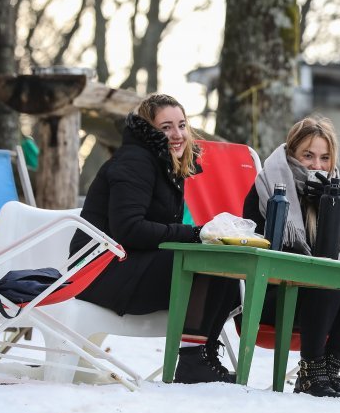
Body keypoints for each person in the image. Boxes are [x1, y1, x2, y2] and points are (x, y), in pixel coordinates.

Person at [71, 93, 241, 384]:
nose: (177, 135)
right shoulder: (135, 162)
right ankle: (192, 360)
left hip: (129, 264)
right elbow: (131, 230)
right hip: (101, 271)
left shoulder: (163, 165)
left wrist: (202, 236)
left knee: (223, 266)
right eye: (166, 127)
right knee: (206, 262)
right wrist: (195, 234)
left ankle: (200, 355)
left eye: (181, 125)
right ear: (149, 129)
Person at [242, 115, 340, 398]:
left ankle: (329, 367)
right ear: (291, 153)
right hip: (274, 291)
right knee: (326, 276)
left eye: (325, 158)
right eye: (308, 155)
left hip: (318, 299)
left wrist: (331, 206)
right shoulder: (268, 187)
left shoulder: (332, 193)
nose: (317, 166)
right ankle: (311, 371)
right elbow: (268, 249)